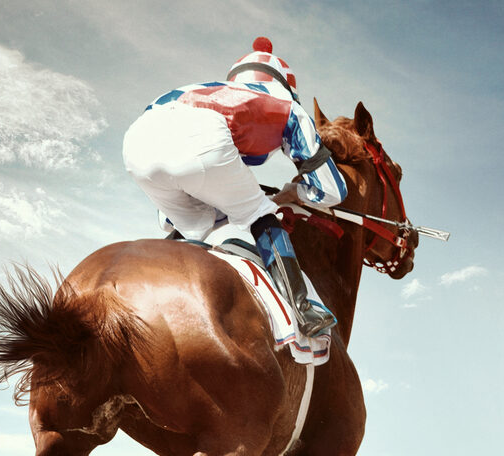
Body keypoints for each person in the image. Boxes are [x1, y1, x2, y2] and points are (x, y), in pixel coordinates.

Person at [122, 37, 346, 338]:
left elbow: (169, 215)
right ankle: (302, 310)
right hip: (204, 141)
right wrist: (294, 193)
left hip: (137, 144)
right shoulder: (288, 104)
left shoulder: (201, 88)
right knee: (259, 214)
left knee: (197, 225)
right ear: (286, 84)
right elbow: (332, 191)